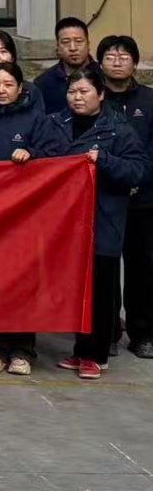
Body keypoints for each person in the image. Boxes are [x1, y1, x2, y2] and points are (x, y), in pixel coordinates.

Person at [0, 59, 65, 376]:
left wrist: (32, 155)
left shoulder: (38, 120)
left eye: (8, 84)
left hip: (25, 216)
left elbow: (60, 156)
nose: (1, 90)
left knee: (22, 281)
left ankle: (23, 348)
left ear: (21, 88)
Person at [50, 68, 148, 379]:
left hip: (102, 221)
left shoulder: (118, 129)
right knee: (75, 287)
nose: (77, 98)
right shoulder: (56, 124)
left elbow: (138, 171)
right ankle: (80, 350)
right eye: (72, 92)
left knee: (101, 289)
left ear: (101, 95)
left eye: (84, 92)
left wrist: (103, 160)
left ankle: (97, 353)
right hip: (64, 222)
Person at [101, 36, 153, 357]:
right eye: (110, 56)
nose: (117, 61)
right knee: (105, 268)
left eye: (124, 56)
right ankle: (107, 331)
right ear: (100, 62)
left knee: (143, 269)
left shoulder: (149, 101)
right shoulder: (94, 97)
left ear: (134, 62)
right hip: (104, 200)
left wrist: (137, 178)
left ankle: (143, 332)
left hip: (143, 201)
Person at [36, 15, 97, 116]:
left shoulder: (102, 76)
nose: (73, 48)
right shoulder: (43, 83)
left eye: (78, 41)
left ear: (88, 44)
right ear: (58, 47)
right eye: (65, 42)